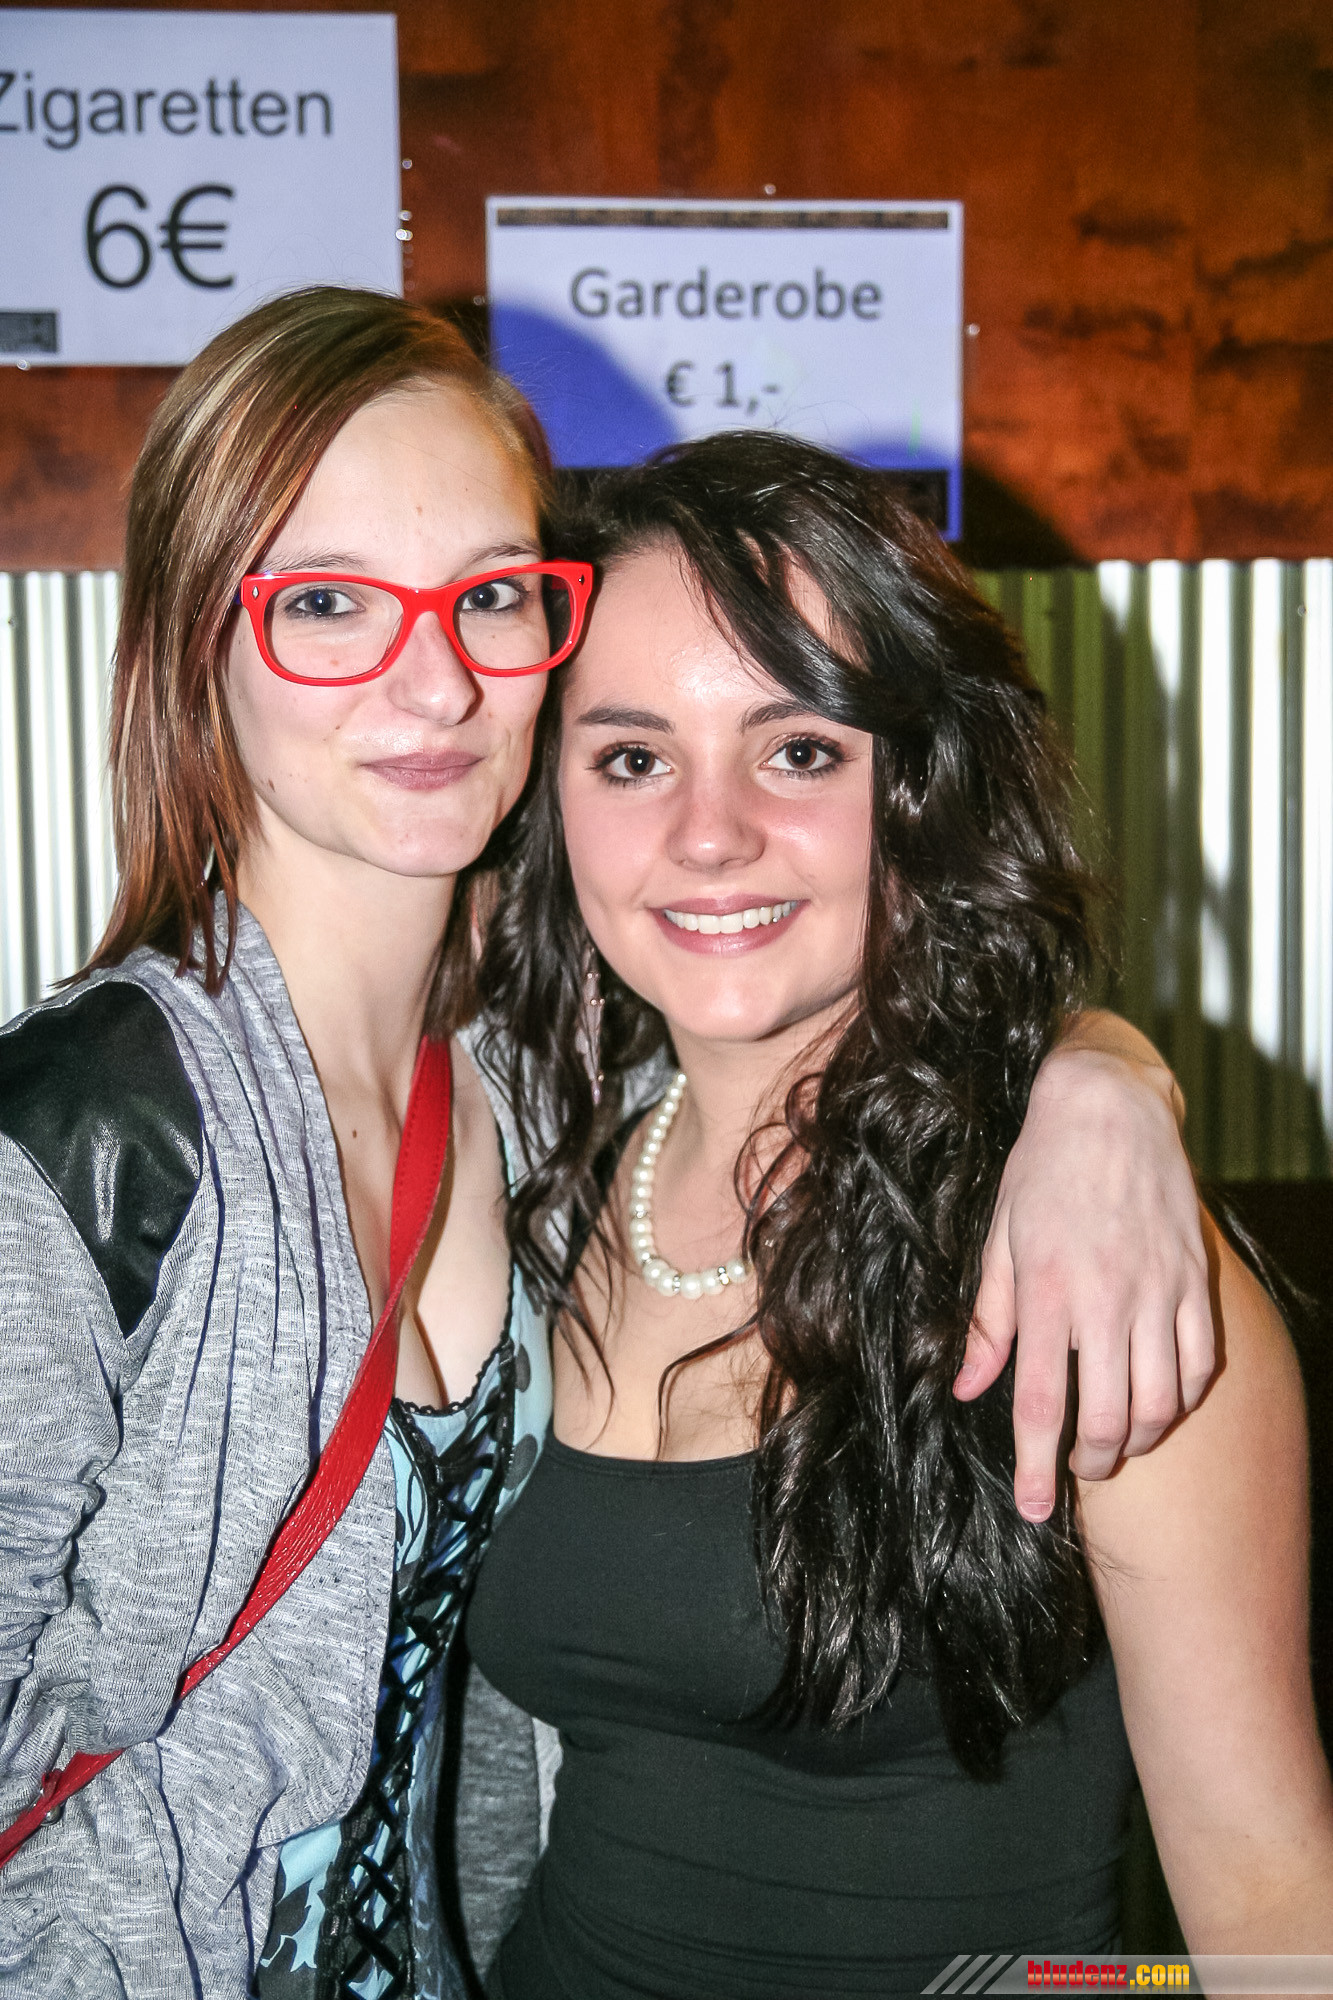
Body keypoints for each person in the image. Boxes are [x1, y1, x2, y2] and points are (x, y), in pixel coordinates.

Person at [0, 286, 1209, 1999]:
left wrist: (1100, 1080)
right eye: (327, 602)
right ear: (198, 643)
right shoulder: (83, 1142)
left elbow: (876, 994)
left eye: (490, 595)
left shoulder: (550, 1080)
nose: (434, 681)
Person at [464, 432, 1333, 1998]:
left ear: (917, 784)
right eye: (632, 757)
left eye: (798, 749)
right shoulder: (538, 1178)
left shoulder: (1094, 1257)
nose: (708, 833)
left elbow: (1271, 1902)